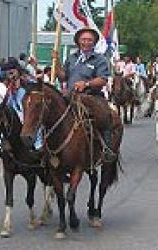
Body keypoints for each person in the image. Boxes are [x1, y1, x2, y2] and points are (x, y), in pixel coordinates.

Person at [53, 27, 116, 162]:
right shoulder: (71, 58)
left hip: (91, 97)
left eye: (89, 40)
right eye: (83, 39)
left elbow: (103, 79)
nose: (86, 42)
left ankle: (107, 148)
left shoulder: (100, 59)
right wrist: (56, 63)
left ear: (94, 43)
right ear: (78, 41)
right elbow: (63, 77)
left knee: (105, 115)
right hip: (70, 96)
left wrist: (86, 84)